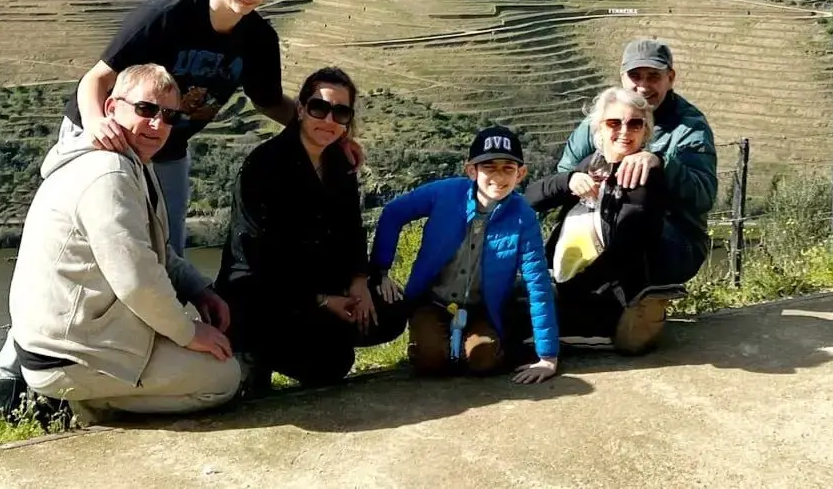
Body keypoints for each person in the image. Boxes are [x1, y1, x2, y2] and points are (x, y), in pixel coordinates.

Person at [5, 63, 241, 418]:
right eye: (145, 109)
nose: (158, 124)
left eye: (169, 116)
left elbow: (155, 250)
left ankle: (93, 395)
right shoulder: (108, 174)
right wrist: (187, 333)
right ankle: (85, 405)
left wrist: (199, 290)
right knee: (224, 378)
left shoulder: (131, 164)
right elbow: (137, 281)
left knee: (216, 361)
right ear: (112, 108)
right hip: (71, 354)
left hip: (80, 339)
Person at [63, 0, 297, 255]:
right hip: (107, 133)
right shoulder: (165, 16)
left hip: (168, 145)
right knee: (96, 245)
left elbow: (270, 103)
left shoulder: (259, 39)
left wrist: (330, 132)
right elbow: (96, 79)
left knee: (168, 248)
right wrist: (97, 123)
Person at [221, 67, 405, 388]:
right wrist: (322, 300)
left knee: (391, 310)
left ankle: (307, 336)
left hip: (321, 281)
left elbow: (351, 230)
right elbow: (259, 261)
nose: (329, 120)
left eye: (341, 112)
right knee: (332, 361)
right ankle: (253, 353)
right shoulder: (264, 167)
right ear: (302, 109)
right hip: (267, 292)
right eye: (320, 108)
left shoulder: (339, 163)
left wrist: (359, 282)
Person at [370, 126, 559, 385]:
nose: (498, 176)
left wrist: (547, 356)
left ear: (520, 174)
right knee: (430, 361)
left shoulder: (522, 216)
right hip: (432, 300)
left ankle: (500, 343)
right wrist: (381, 270)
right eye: (489, 167)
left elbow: (537, 282)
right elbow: (393, 213)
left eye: (508, 168)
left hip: (480, 308)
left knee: (484, 359)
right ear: (471, 170)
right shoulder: (446, 194)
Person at [556, 39, 716, 284]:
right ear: (622, 78)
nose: (643, 86)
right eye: (635, 76)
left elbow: (703, 195)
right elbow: (564, 173)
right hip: (602, 226)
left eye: (653, 76)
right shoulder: (603, 118)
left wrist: (661, 163)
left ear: (670, 78)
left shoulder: (689, 128)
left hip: (675, 241)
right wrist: (575, 179)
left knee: (629, 223)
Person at [528, 86, 674, 354]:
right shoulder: (591, 165)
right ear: (599, 129)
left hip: (607, 296)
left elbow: (628, 234)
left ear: (645, 131)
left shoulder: (647, 174)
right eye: (614, 123)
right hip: (565, 282)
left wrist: (653, 160)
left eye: (635, 124)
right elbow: (529, 200)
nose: (624, 131)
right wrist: (567, 181)